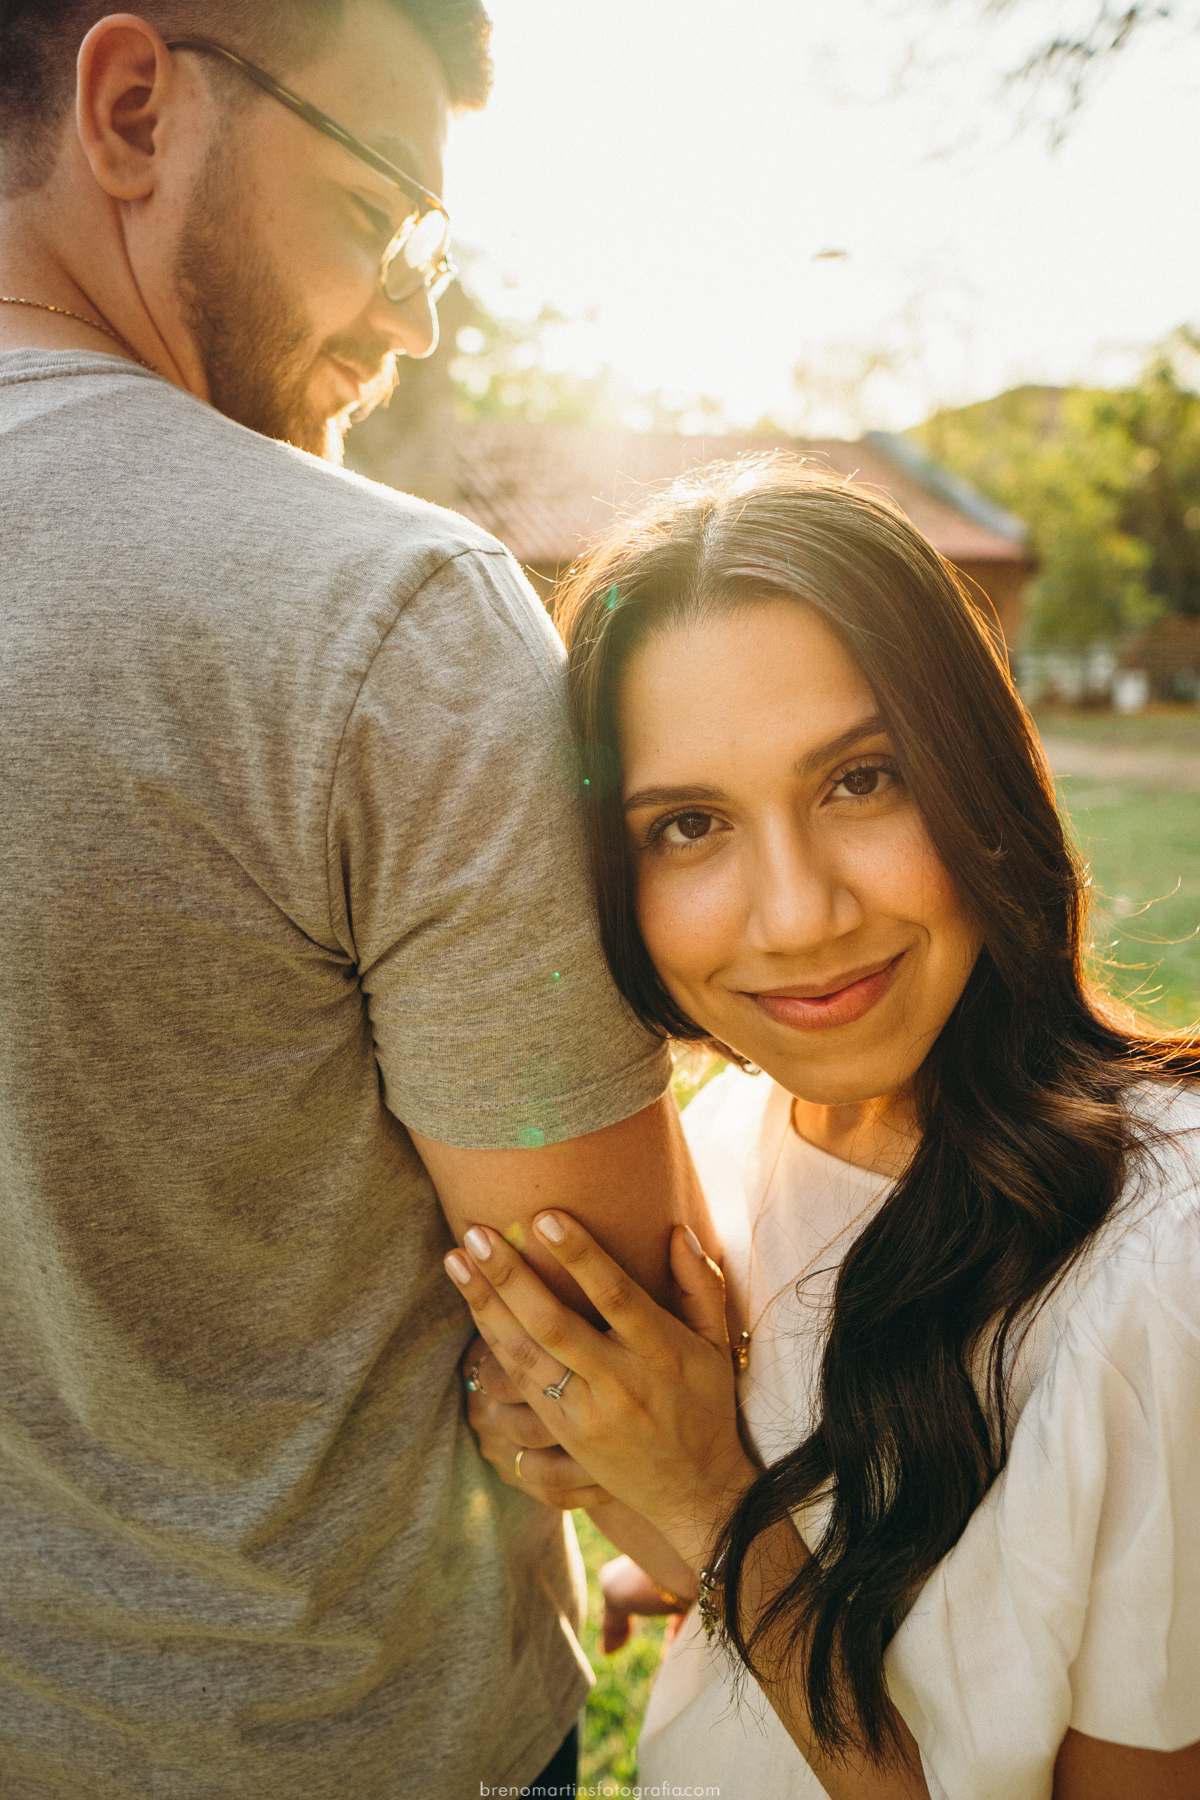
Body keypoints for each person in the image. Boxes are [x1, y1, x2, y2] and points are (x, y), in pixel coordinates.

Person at [0, 6, 712, 1796]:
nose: (414, 313)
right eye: (387, 210)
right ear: (135, 105)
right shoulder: (379, 613)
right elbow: (604, 1314)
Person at [451, 459, 1200, 1800]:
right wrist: (630, 1490)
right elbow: (911, 1594)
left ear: (978, 771)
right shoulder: (737, 1143)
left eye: (862, 780)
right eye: (688, 825)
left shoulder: (1164, 1271)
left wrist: (708, 1511)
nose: (795, 914)